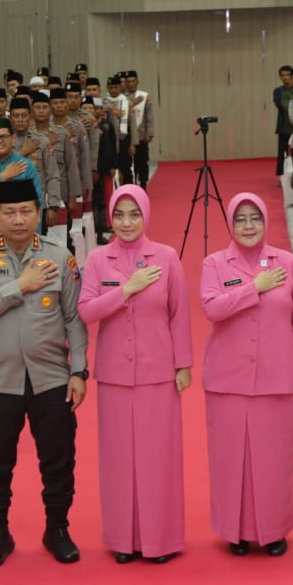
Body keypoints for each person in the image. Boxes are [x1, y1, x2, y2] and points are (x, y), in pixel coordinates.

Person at [0, 180, 88, 568]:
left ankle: (57, 527)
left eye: (26, 211)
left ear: (39, 213)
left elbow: (74, 317)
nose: (19, 219)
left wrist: (79, 370)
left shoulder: (58, 255)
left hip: (51, 378)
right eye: (10, 212)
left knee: (59, 458)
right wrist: (20, 285)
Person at [78, 185, 192, 563]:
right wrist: (125, 290)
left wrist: (183, 364)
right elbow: (87, 311)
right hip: (114, 375)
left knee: (158, 459)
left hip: (158, 373)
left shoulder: (166, 257)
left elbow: (180, 314)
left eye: (135, 214)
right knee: (118, 461)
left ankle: (161, 540)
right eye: (120, 214)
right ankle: (123, 540)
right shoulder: (97, 259)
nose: (127, 223)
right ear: (110, 217)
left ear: (146, 215)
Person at [200, 192, 293, 557]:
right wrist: (255, 288)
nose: (248, 226)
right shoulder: (215, 264)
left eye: (255, 219)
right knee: (230, 459)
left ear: (265, 222)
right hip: (227, 380)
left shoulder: (287, 262)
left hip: (275, 377)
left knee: (273, 458)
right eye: (241, 219)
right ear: (231, 225)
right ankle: (234, 530)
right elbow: (212, 308)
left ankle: (274, 529)